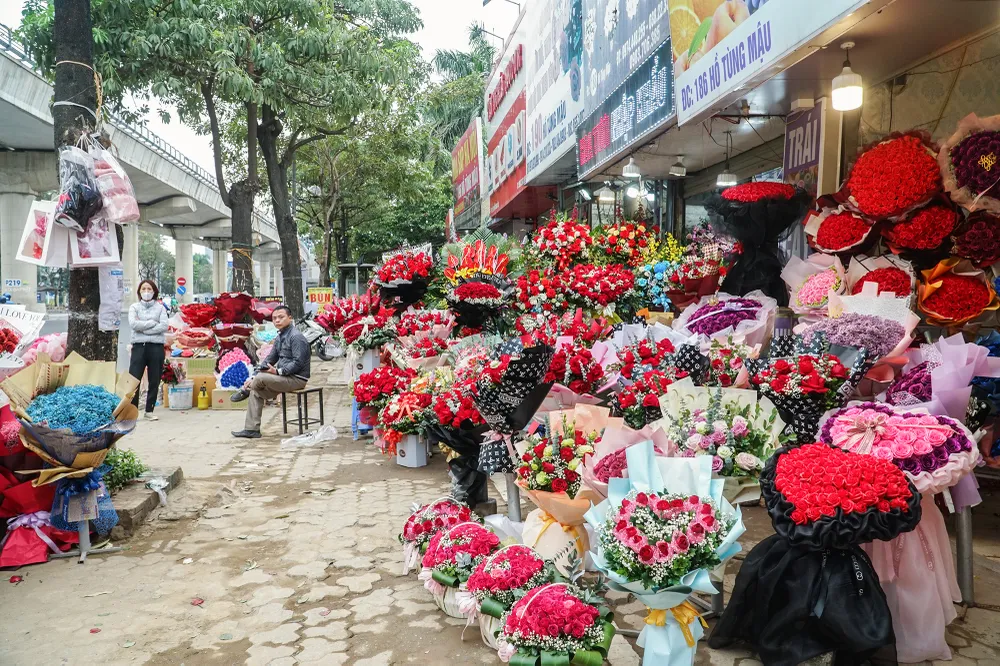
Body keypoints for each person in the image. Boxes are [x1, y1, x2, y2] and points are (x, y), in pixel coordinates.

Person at [231, 305, 310, 438]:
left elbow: (298, 363)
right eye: (274, 318)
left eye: (281, 317)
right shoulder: (279, 337)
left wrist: (278, 371)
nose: (277, 320)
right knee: (256, 391)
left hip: (296, 379)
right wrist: (254, 376)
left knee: (262, 377)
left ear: (290, 318)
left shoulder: (296, 337)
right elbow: (269, 359)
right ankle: (252, 430)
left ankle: (245, 390)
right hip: (283, 379)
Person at [128, 279, 169, 421]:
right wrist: (152, 324)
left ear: (154, 291)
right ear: (139, 291)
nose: (146, 292)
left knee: (154, 379)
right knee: (134, 379)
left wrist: (144, 329)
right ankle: (131, 411)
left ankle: (149, 410)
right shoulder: (134, 307)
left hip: (156, 348)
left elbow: (164, 326)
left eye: (149, 289)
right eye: (143, 289)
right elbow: (133, 324)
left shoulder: (161, 308)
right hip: (139, 347)